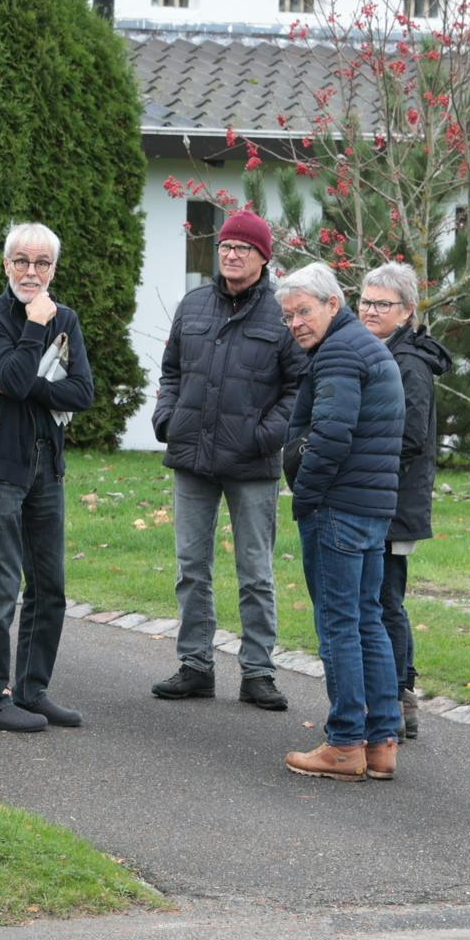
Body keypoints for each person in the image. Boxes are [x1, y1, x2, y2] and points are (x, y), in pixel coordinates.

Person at [149, 207, 306, 712]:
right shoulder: (193, 305)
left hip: (252, 462)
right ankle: (195, 665)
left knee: (255, 570)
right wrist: (167, 419)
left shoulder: (282, 313)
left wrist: (266, 437)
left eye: (243, 248)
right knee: (191, 566)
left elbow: (299, 388)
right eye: (225, 247)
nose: (231, 254)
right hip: (192, 454)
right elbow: (170, 371)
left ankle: (258, 672)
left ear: (264, 257)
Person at [273, 262, 403, 782]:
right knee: (367, 620)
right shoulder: (364, 346)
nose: (296, 323)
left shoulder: (342, 352)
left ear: (333, 304)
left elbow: (330, 434)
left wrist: (304, 497)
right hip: (370, 508)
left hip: (340, 508)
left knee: (339, 626)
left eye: (303, 311)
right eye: (287, 316)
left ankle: (347, 742)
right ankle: (381, 741)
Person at [0, 221, 94, 734]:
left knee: (50, 584)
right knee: (0, 585)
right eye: (22, 261)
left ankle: (32, 689)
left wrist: (25, 382)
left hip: (48, 463)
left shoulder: (68, 318)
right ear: (6, 265)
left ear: (54, 268)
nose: (32, 272)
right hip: (2, 462)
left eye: (43, 263)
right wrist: (35, 329)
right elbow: (14, 380)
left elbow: (81, 393)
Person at [354, 261, 451, 722]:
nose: (370, 311)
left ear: (407, 311)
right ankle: (390, 691)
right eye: (366, 301)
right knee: (376, 597)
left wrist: (358, 463)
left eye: (382, 304)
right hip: (376, 493)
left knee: (385, 598)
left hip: (393, 500)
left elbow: (408, 438)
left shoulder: (408, 363)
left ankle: (399, 695)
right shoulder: (375, 352)